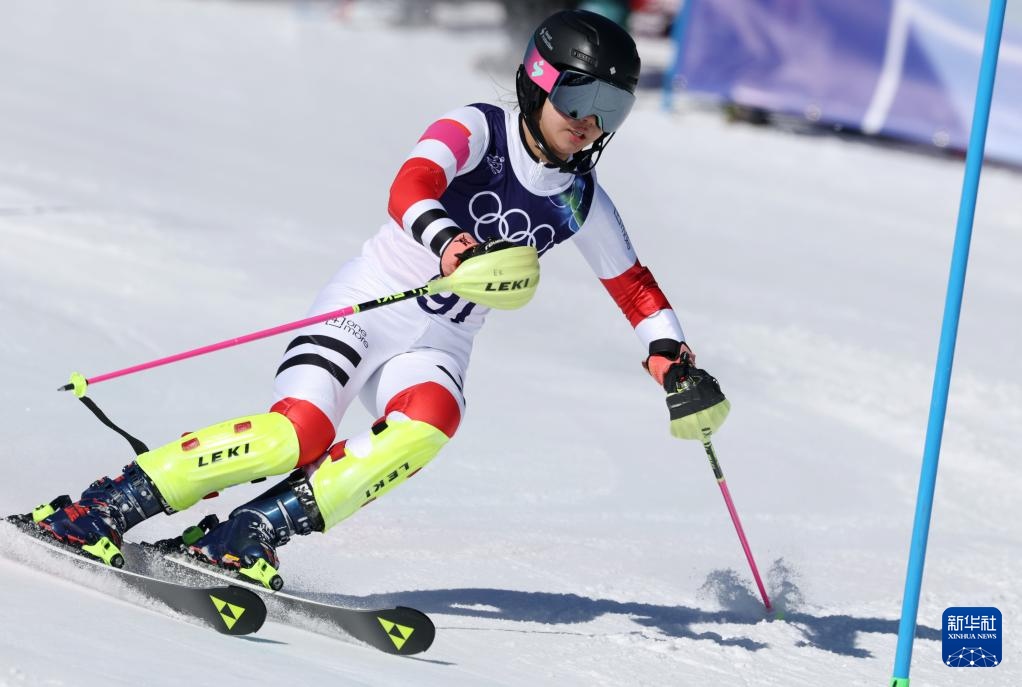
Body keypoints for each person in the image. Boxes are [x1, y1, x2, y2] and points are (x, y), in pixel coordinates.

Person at [28, 9, 695, 588]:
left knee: (431, 420)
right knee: (296, 434)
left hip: (440, 342)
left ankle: (246, 533)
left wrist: (670, 355)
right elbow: (411, 184)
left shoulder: (579, 198)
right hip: (366, 305)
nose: (589, 123)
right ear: (538, 81)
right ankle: (99, 509)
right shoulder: (479, 128)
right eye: (579, 98)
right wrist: (449, 242)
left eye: (611, 109)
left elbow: (633, 286)